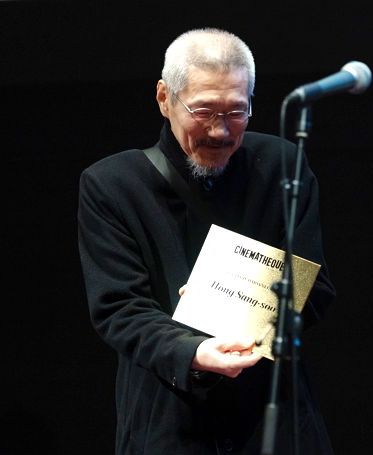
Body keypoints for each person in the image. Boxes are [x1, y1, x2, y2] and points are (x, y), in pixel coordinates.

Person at [78, 28, 335, 454]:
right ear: (164, 98)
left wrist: (241, 314)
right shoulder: (112, 184)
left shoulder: (282, 165)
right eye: (203, 111)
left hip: (274, 415)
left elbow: (316, 287)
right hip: (166, 421)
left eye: (237, 112)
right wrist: (193, 351)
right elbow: (119, 308)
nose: (220, 131)